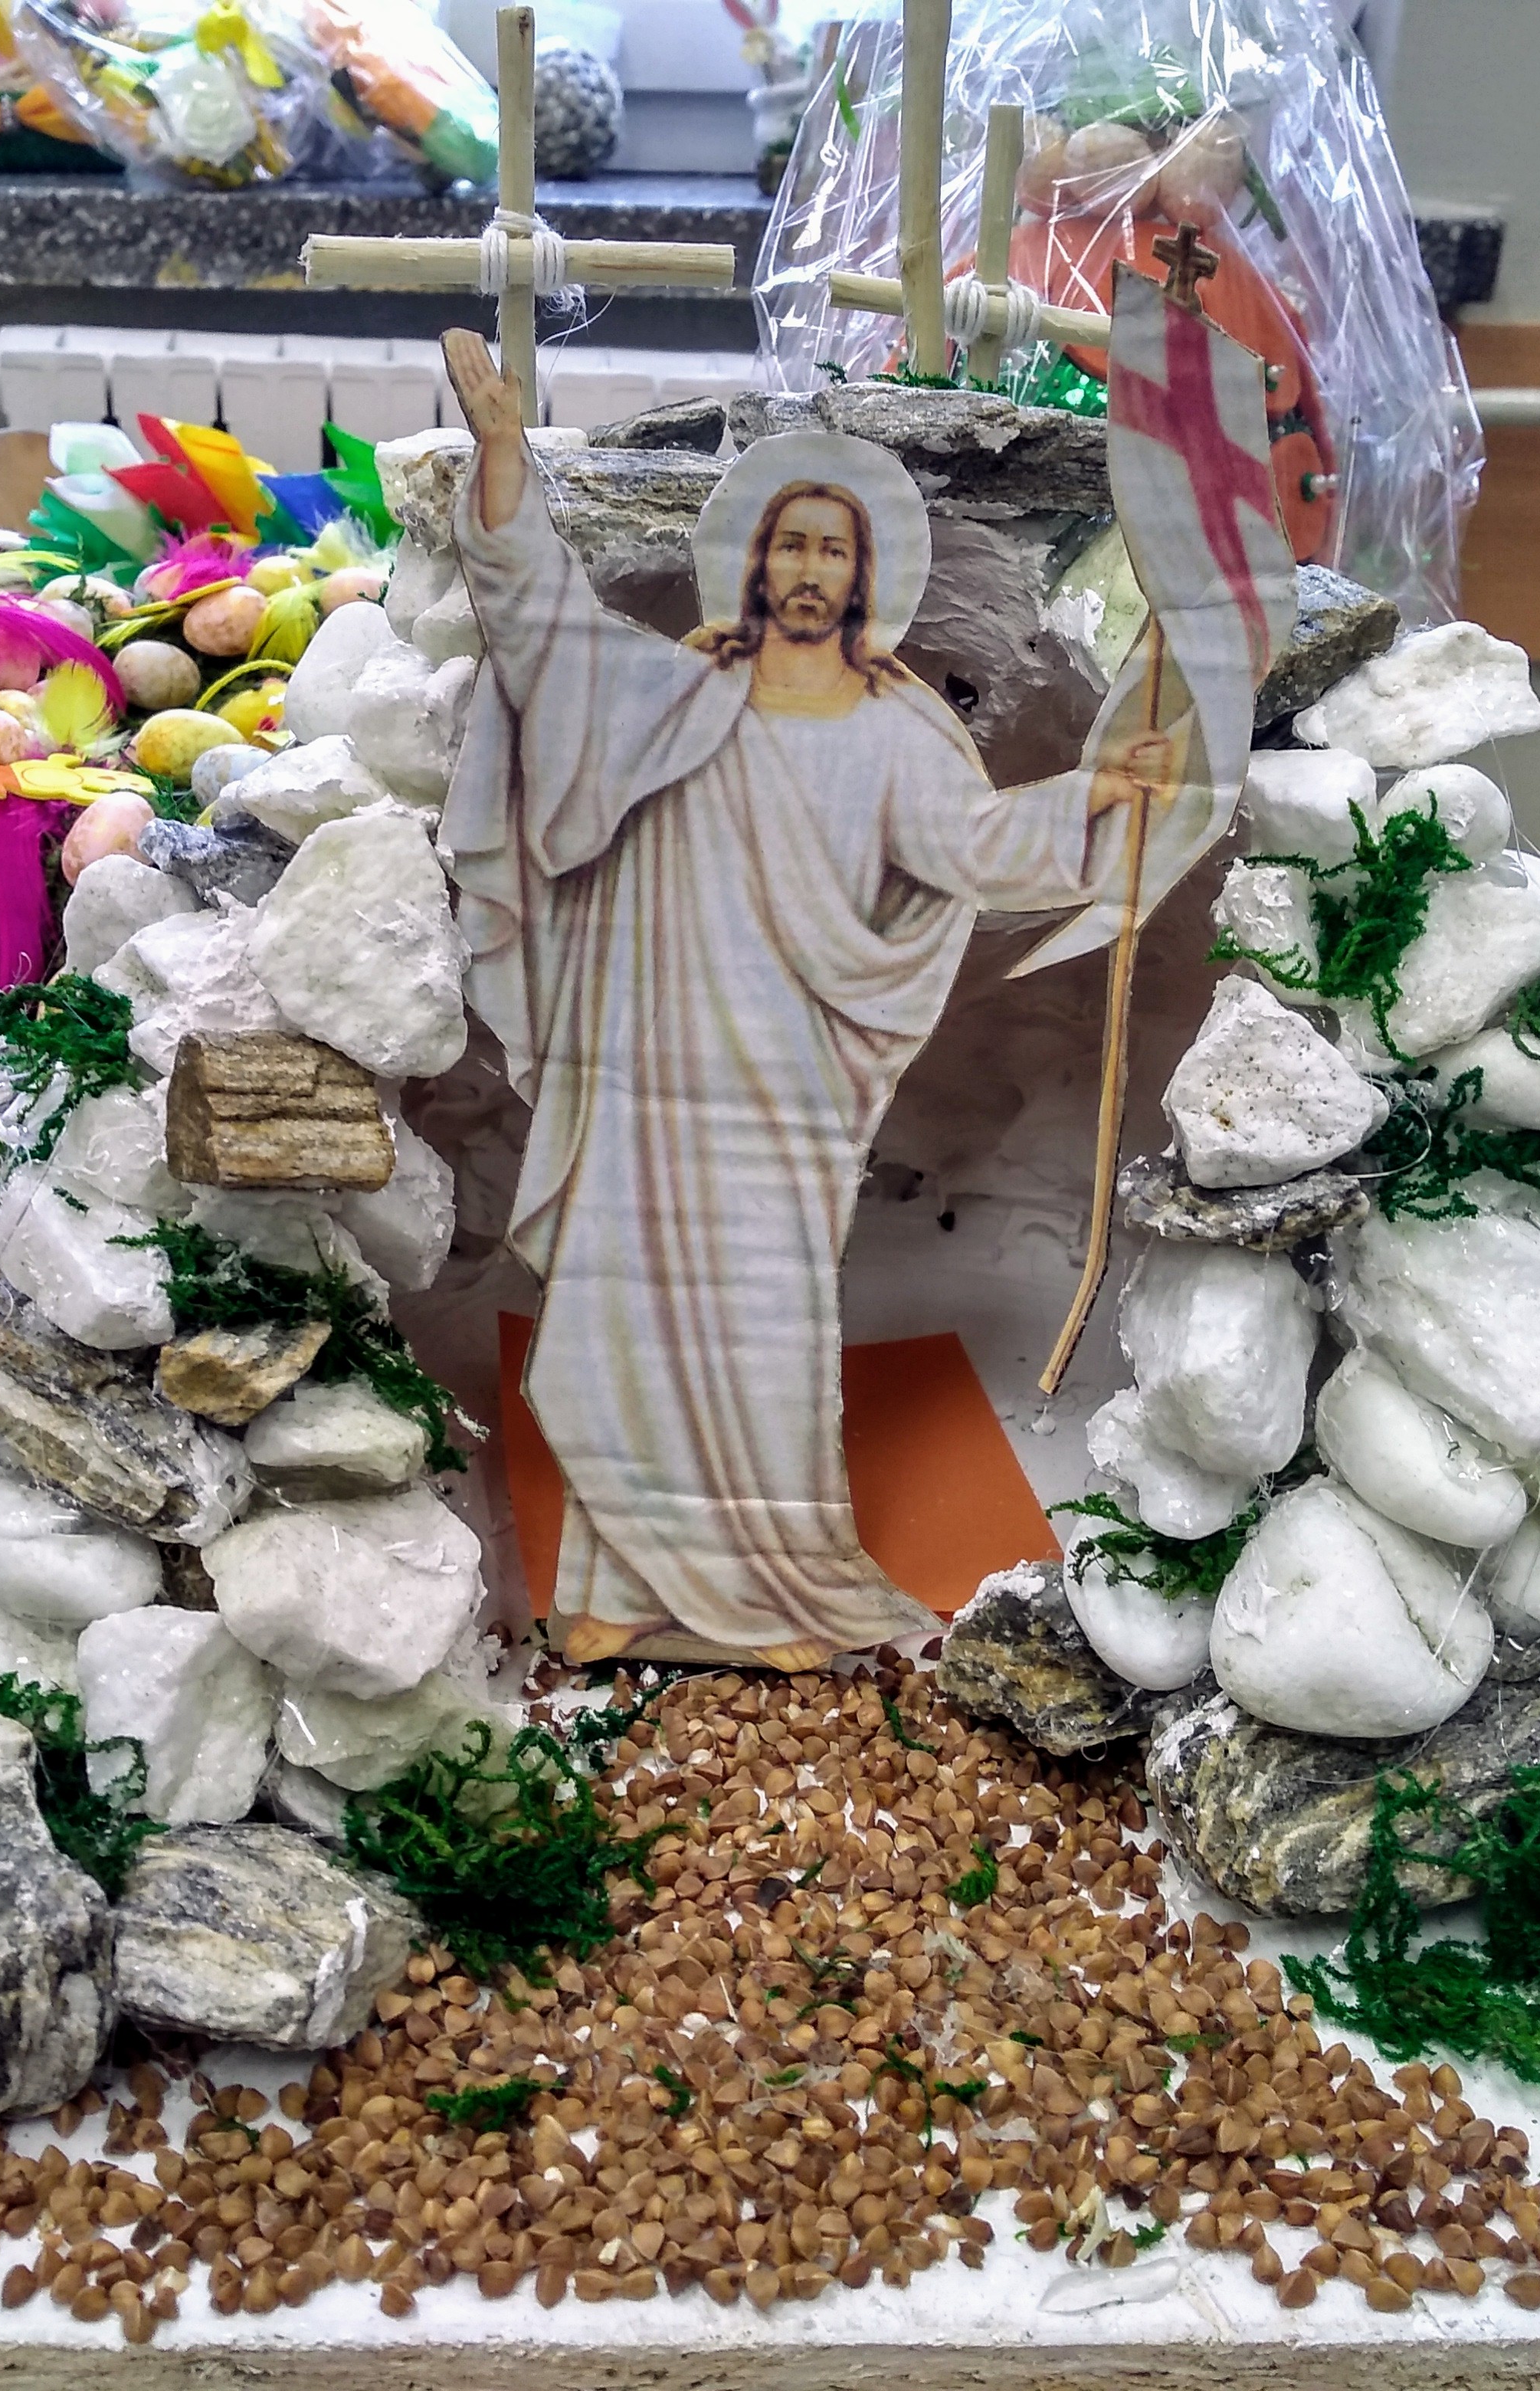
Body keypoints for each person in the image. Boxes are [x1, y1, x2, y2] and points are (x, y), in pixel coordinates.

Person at [437, 328, 1181, 1671]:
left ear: (866, 577)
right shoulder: (667, 694)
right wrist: (502, 459)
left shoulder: (902, 734)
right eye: (790, 544)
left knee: (763, 1328)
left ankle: (768, 1591)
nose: (808, 568)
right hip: (643, 1073)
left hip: (783, 1089)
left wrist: (1098, 799)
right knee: (612, 1323)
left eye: (834, 550)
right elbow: (539, 621)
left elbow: (984, 849)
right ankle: (617, 1584)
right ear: (755, 561)